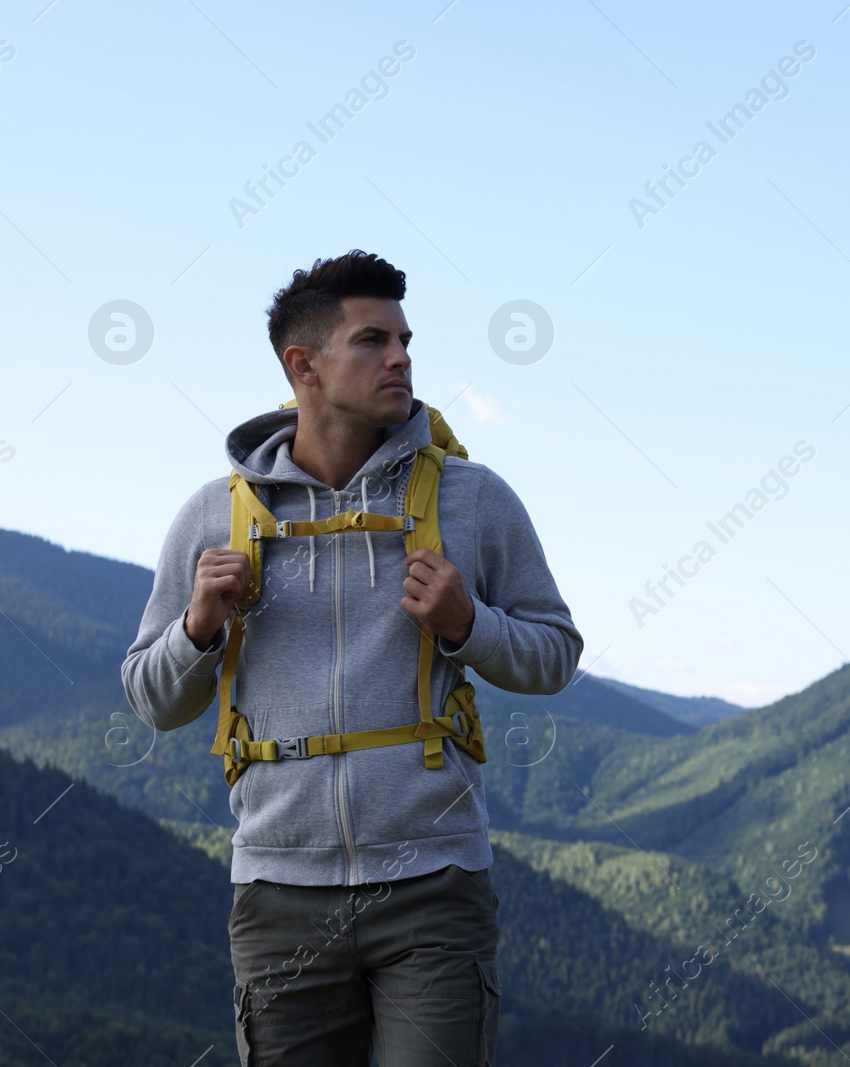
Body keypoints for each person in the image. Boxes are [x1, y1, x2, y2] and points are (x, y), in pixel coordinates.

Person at [122, 249, 582, 1065]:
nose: (401, 357)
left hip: (435, 888)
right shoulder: (214, 515)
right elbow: (152, 701)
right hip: (278, 894)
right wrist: (197, 626)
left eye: (406, 340)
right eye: (373, 340)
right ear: (303, 365)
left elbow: (554, 654)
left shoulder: (471, 498)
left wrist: (467, 623)